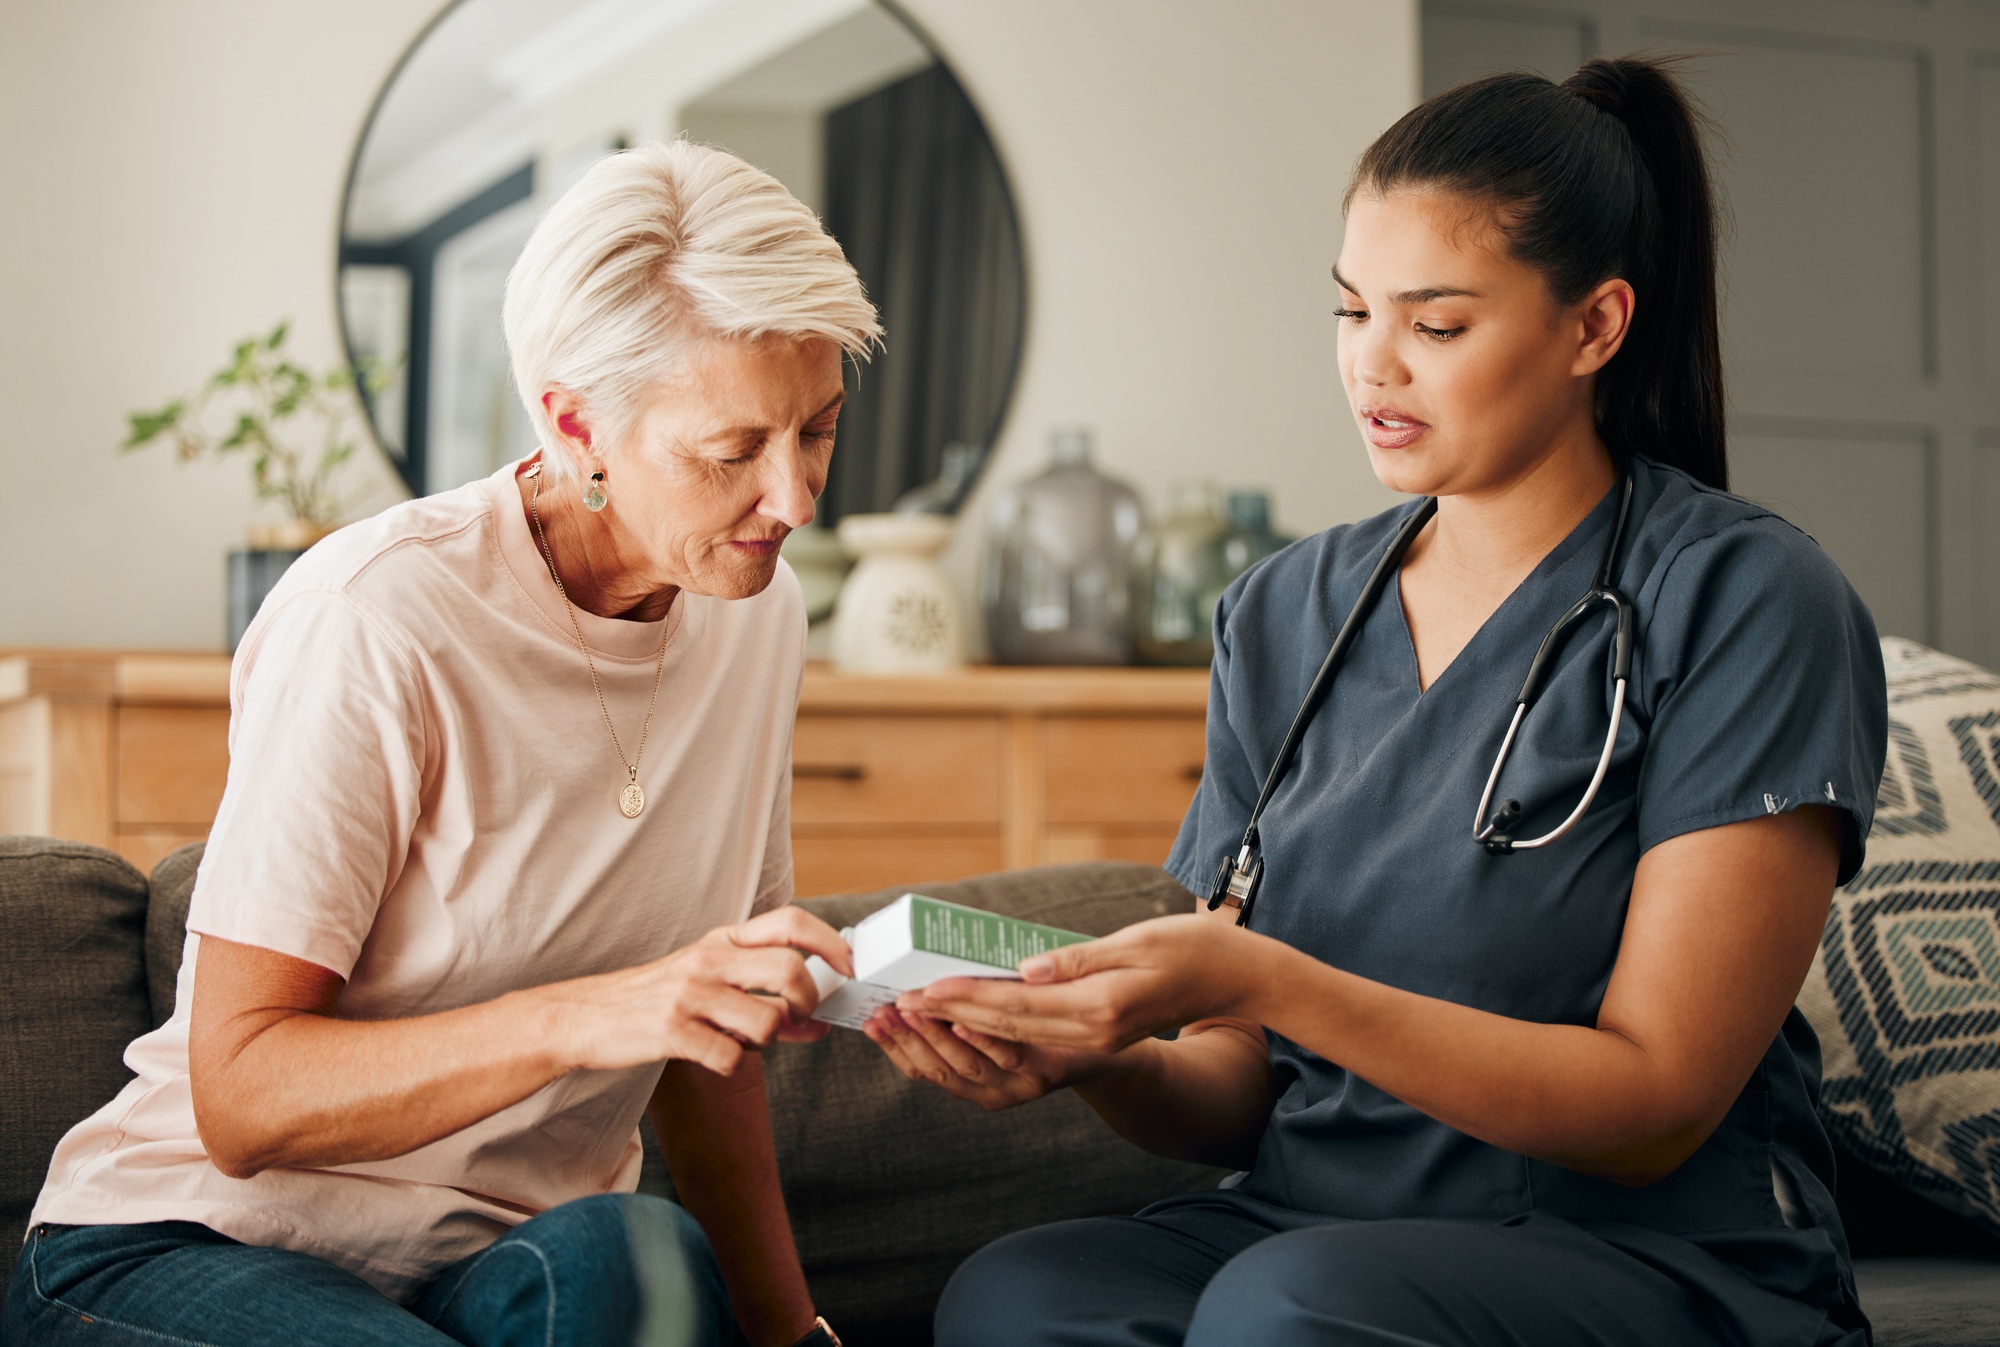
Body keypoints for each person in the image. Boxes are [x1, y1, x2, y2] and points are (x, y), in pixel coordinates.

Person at [866, 57, 1888, 1347]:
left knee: (1289, 1309)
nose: (1372, 367)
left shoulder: (1743, 597)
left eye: (1435, 325)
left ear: (1594, 327)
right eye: (1350, 312)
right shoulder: (1284, 612)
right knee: (1021, 1293)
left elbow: (1655, 1104)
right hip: (1317, 1228)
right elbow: (1237, 1089)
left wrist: (1278, 982)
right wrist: (1100, 1059)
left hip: (1643, 1247)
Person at [5, 141, 879, 1347]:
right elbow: (241, 1099)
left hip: (498, 1267)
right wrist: (594, 1013)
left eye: (819, 429)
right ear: (577, 425)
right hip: (192, 1246)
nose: (794, 499)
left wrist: (793, 1335)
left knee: (640, 1254)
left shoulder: (755, 611)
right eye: (731, 454)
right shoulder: (374, 618)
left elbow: (704, 1034)